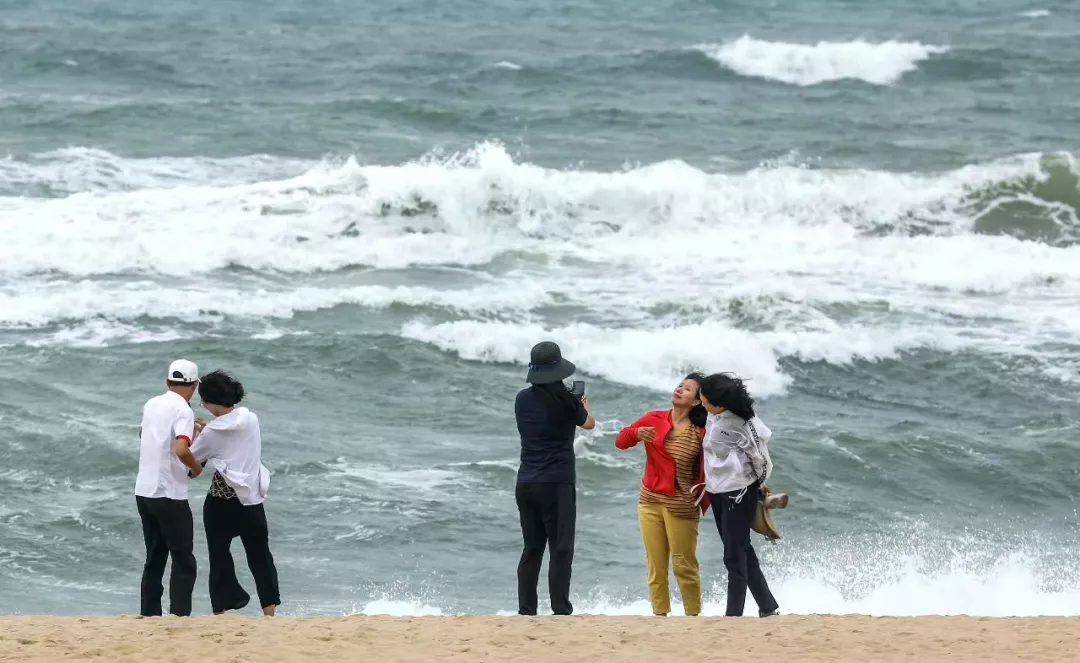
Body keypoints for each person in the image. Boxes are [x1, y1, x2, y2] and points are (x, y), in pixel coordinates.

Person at [615, 373, 710, 617]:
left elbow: (712, 469)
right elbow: (620, 441)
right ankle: (660, 615)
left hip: (681, 505)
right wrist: (636, 434)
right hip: (649, 500)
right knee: (655, 565)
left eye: (687, 389)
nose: (679, 390)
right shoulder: (654, 418)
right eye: (680, 385)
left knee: (684, 565)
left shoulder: (701, 432)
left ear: (697, 402)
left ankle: (693, 616)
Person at [186, 371, 280, 616]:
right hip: (251, 499)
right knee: (260, 557)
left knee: (219, 557)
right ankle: (270, 612)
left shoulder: (212, 432)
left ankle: (222, 612)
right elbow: (229, 441)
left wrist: (196, 433)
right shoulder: (250, 418)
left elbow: (192, 461)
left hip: (221, 501)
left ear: (208, 403)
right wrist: (208, 431)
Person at [514, 341, 595, 616]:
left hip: (526, 482)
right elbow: (589, 424)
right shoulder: (566, 401)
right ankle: (560, 608)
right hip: (556, 482)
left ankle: (526, 609)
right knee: (560, 548)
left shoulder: (522, 399)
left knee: (532, 549)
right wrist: (583, 403)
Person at [699, 372, 780, 618]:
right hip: (717, 491)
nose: (701, 401)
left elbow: (762, 459)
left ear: (720, 403)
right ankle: (767, 606)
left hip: (738, 492)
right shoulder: (713, 414)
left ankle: (733, 616)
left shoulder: (742, 423)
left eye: (704, 398)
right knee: (742, 550)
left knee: (733, 557)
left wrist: (758, 484)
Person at [134, 359, 204, 617]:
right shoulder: (183, 411)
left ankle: (149, 613)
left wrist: (190, 429)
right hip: (170, 493)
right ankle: (179, 616)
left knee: (154, 556)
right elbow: (182, 449)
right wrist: (196, 469)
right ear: (195, 385)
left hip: (144, 490)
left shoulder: (152, 403)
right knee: (183, 559)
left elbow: (146, 436)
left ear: (167, 383)